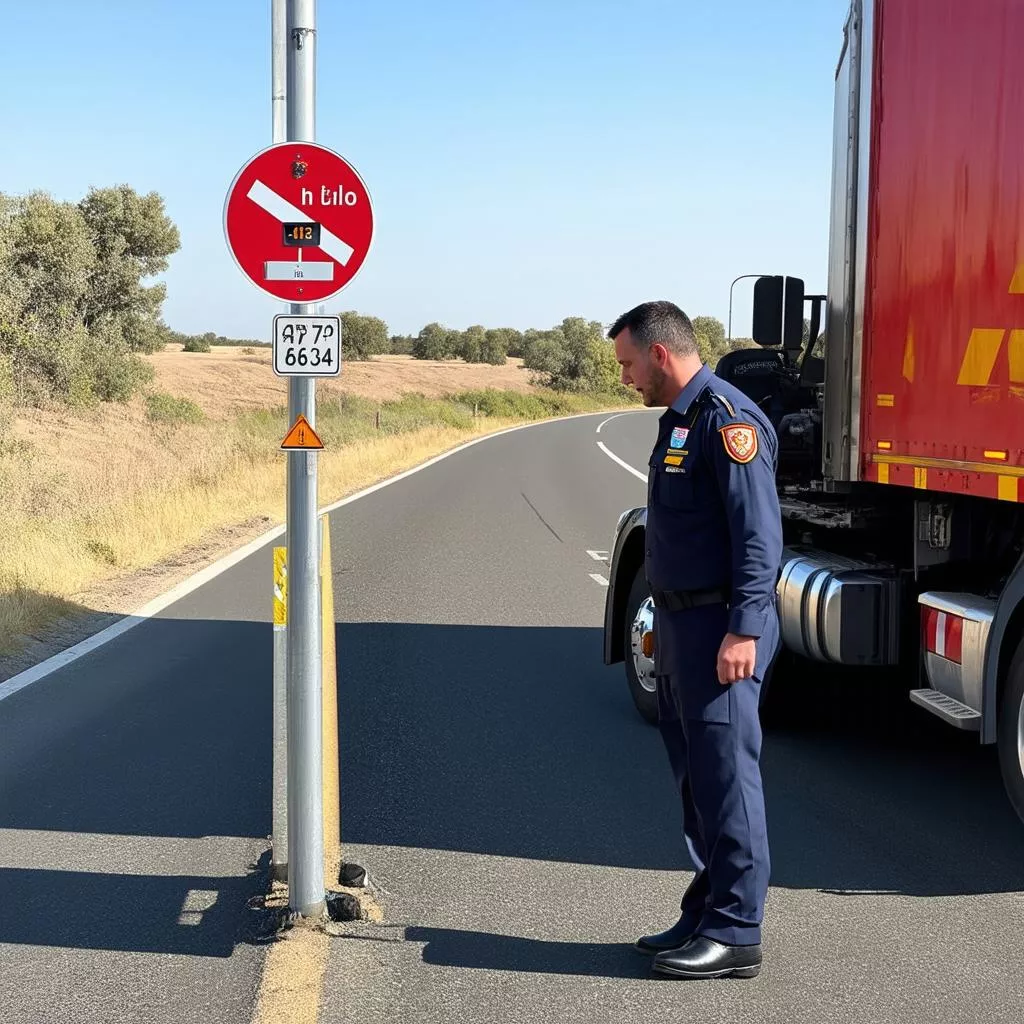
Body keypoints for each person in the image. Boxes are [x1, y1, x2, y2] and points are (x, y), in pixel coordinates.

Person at [608, 300, 782, 981]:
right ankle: (707, 907)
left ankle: (738, 930)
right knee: (696, 781)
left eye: (627, 363)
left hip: (719, 630)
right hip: (682, 627)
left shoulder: (726, 421)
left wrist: (744, 629)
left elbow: (758, 538)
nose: (624, 378)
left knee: (727, 777)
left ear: (659, 353)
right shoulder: (680, 421)